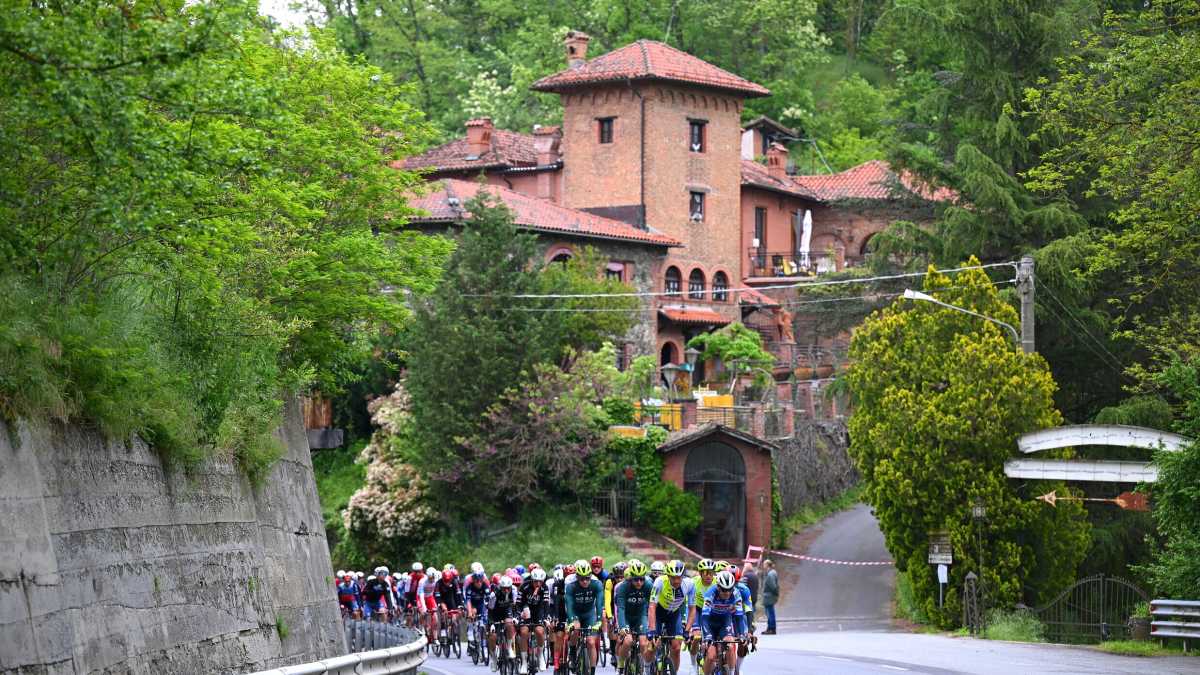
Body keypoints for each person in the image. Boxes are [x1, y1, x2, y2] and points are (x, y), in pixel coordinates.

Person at [648, 560, 693, 675]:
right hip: (658, 612)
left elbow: (692, 609)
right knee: (653, 644)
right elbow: (652, 606)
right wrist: (652, 630)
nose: (676, 581)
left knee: (677, 647)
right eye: (673, 578)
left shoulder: (689, 584)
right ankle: (648, 667)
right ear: (668, 576)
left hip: (674, 614)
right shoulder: (659, 582)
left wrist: (687, 630)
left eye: (679, 577)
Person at [701, 571, 746, 675]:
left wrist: (742, 634)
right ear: (718, 587)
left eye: (729, 589)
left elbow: (739, 616)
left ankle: (731, 672)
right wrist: (707, 636)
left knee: (730, 646)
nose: (727, 593)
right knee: (711, 656)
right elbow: (704, 617)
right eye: (724, 590)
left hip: (724, 621)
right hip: (710, 622)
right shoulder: (710, 593)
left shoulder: (736, 593)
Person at [613, 559, 654, 674]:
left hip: (641, 616)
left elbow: (653, 605)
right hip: (626, 616)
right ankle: (621, 665)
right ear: (631, 578)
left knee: (643, 642)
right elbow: (620, 608)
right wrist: (622, 627)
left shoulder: (648, 586)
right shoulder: (623, 587)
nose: (639, 582)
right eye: (636, 579)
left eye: (642, 579)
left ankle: (645, 666)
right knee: (628, 641)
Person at [565, 558, 604, 675]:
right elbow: (569, 606)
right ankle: (572, 652)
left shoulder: (597, 584)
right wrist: (571, 621)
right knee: (575, 629)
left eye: (587, 578)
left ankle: (592, 671)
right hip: (575, 612)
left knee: (591, 642)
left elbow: (599, 604)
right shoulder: (571, 586)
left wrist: (598, 621)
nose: (585, 581)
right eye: (582, 579)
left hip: (589, 613)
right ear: (577, 577)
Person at [517, 567, 551, 673]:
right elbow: (518, 603)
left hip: (538, 611)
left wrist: (546, 618)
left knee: (540, 631)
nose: (538, 584)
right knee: (524, 632)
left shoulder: (544, 588)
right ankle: (523, 661)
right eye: (535, 581)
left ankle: (540, 656)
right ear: (532, 580)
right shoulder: (524, 587)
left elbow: (546, 604)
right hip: (525, 610)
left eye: (540, 581)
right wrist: (520, 613)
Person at [488, 575, 520, 672]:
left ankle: (509, 647)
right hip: (495, 612)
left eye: (508, 588)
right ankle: (493, 658)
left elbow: (516, 606)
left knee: (510, 624)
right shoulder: (494, 594)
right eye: (504, 589)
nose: (506, 591)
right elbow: (490, 610)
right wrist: (491, 623)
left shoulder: (514, 591)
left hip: (507, 610)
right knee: (492, 636)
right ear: (500, 587)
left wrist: (515, 617)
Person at [761, 560, 778, 635]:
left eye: (764, 564)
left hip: (769, 596)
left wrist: (775, 594)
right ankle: (770, 628)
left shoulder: (770, 574)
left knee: (770, 613)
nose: (763, 566)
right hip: (770, 595)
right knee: (770, 612)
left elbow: (773, 586)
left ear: (767, 565)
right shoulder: (773, 572)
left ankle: (771, 628)